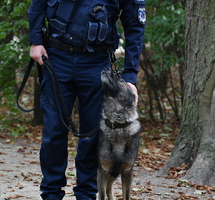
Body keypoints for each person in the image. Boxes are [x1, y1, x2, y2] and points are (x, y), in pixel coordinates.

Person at [28, 0, 145, 200]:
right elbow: (38, 3)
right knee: (53, 131)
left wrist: (130, 76)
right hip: (56, 58)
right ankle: (51, 194)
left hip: (97, 62)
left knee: (93, 133)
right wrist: (36, 40)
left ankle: (86, 194)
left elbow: (135, 26)